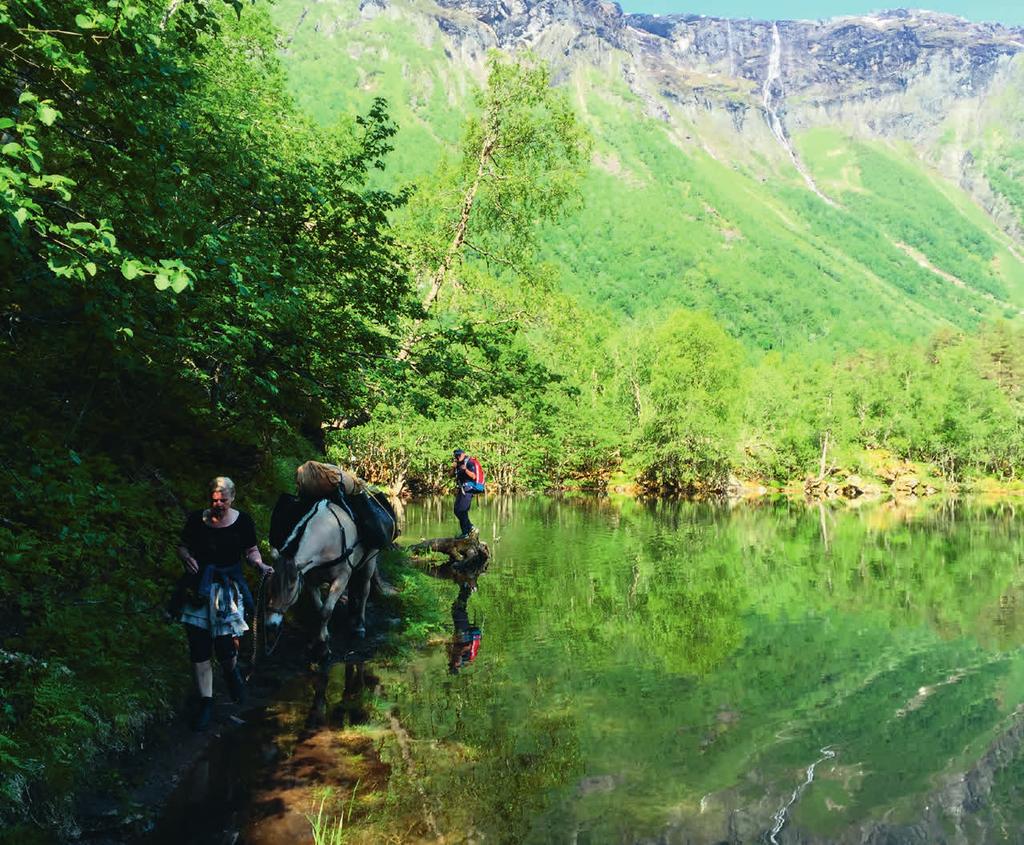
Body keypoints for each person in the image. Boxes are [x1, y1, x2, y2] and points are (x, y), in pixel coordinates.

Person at [176, 476, 273, 730]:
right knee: (198, 646)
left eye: (223, 500)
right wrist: (186, 558)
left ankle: (231, 674)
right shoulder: (197, 519)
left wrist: (259, 564)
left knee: (225, 646)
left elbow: (251, 550)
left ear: (233, 498)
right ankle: (206, 702)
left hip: (228, 589)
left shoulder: (243, 522)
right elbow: (183, 547)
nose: (218, 504)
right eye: (214, 499)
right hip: (198, 588)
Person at [452, 449, 477, 538]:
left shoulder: (469, 463)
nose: (457, 457)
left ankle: (465, 533)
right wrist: (453, 467)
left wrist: (465, 469)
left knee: (462, 511)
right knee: (456, 510)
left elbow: (474, 476)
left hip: (468, 489)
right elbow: (450, 475)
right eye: (456, 455)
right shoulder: (457, 464)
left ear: (463, 454)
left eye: (459, 455)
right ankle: (470, 527)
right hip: (461, 489)